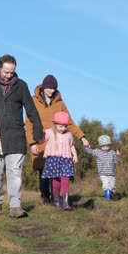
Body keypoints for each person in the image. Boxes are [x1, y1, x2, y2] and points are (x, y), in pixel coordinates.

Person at [0, 54, 44, 218]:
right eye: (6, 72)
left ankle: (15, 207)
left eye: (12, 72)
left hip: (16, 137)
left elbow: (31, 110)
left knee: (15, 174)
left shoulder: (21, 86)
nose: (9, 75)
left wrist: (37, 135)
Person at [25, 74, 90, 204]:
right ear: (43, 87)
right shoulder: (33, 101)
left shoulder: (60, 103)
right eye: (49, 88)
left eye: (54, 88)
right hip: (41, 141)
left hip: (58, 143)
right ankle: (45, 197)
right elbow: (28, 124)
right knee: (43, 171)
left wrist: (82, 137)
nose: (51, 90)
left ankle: (56, 198)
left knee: (57, 173)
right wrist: (32, 143)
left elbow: (69, 122)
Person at [41, 111, 78, 210]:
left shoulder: (69, 135)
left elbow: (72, 146)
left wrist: (75, 155)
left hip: (66, 160)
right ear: (55, 124)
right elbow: (41, 140)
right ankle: (57, 202)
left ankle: (66, 203)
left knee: (65, 180)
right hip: (53, 159)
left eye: (65, 126)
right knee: (56, 182)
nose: (63, 129)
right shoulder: (49, 132)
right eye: (61, 126)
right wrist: (36, 139)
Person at [84, 135, 120, 201]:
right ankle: (107, 199)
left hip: (112, 173)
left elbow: (116, 161)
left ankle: (111, 195)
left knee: (112, 187)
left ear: (110, 145)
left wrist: (117, 155)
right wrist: (86, 146)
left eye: (107, 146)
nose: (106, 148)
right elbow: (90, 152)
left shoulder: (112, 152)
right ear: (100, 146)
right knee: (106, 185)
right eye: (103, 146)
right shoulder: (98, 152)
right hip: (103, 173)